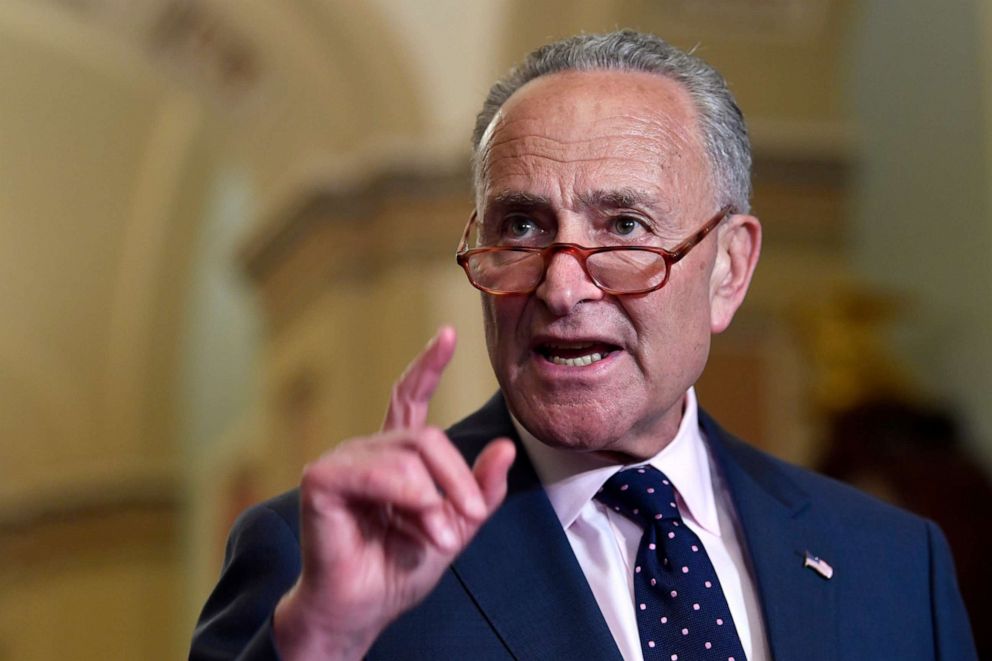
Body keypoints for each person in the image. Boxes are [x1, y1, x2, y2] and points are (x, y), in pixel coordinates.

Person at [190, 31, 977, 660]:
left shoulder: (895, 564)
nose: (562, 289)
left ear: (730, 268)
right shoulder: (312, 564)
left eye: (625, 228)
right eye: (522, 228)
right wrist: (323, 640)